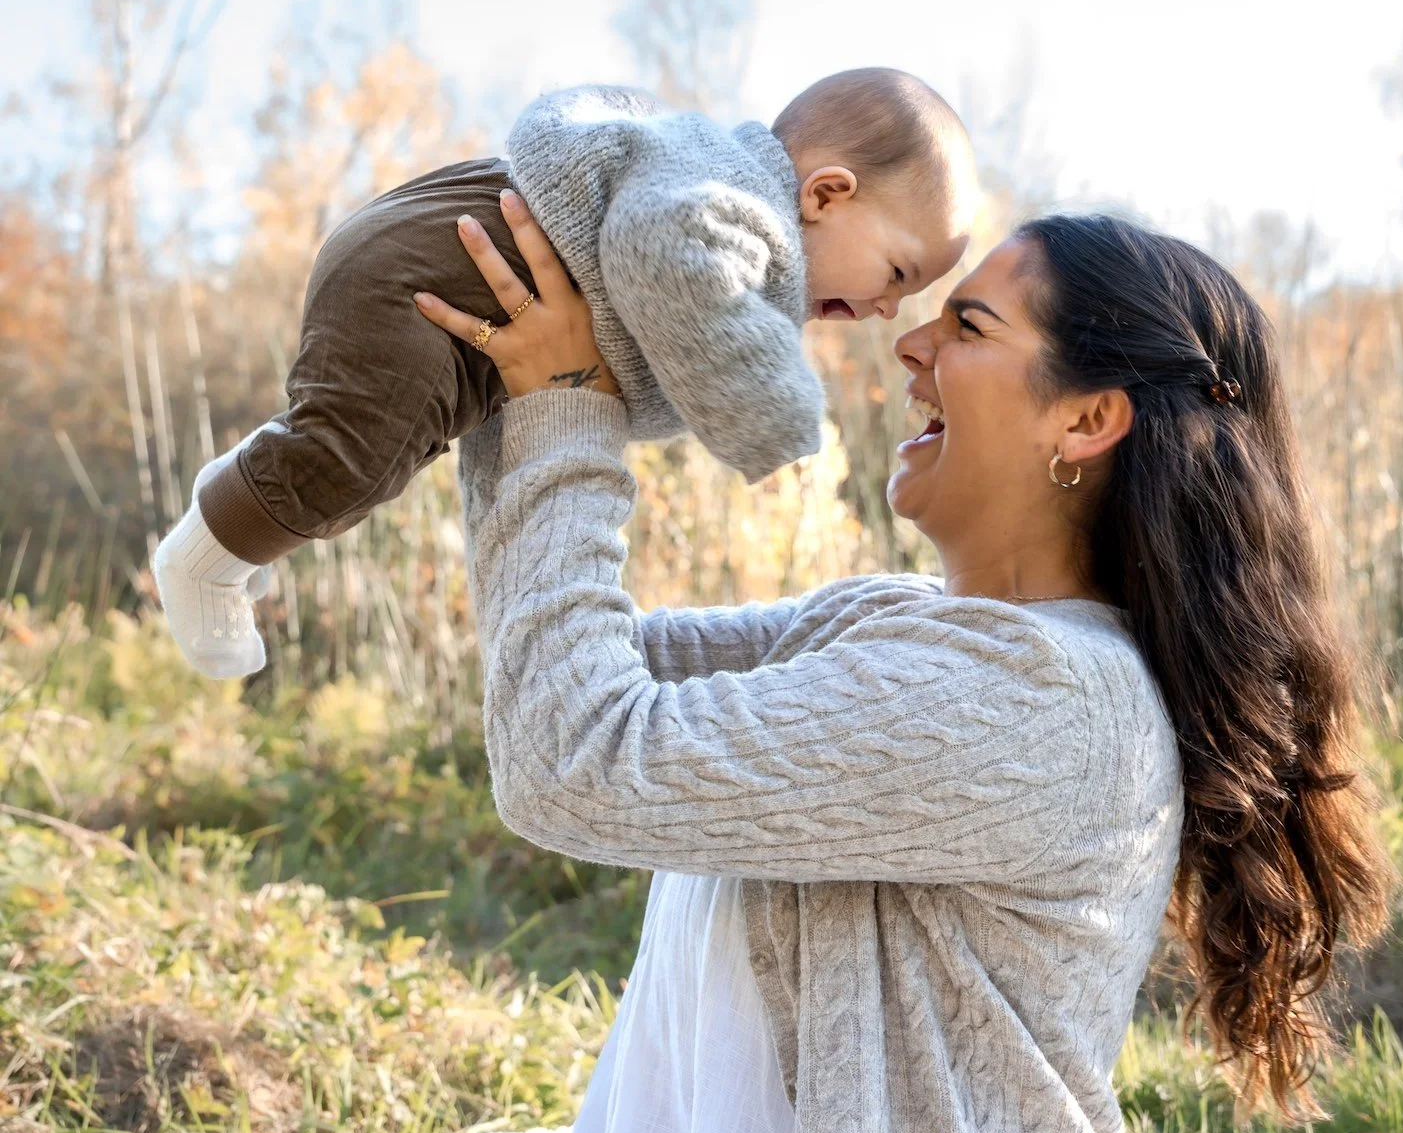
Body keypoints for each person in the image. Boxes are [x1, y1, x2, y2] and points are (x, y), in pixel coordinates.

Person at [3, 206, 1390, 1133]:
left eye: (968, 325)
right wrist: (503, 383)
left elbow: (578, 757)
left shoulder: (1044, 703)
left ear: (1086, 418)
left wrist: (568, 404)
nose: (908, 344)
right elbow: (563, 668)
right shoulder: (901, 627)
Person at [150, 68, 979, 678]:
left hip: (463, 311)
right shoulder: (735, 200)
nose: (886, 310)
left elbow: (567, 393)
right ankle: (205, 556)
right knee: (349, 459)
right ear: (827, 194)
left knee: (402, 456)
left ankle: (245, 512)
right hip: (425, 270)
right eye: (898, 275)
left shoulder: (729, 204)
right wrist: (778, 417)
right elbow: (664, 255)